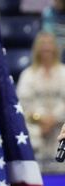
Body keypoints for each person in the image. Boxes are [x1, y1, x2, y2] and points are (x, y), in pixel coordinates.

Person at [17, 31, 65, 173]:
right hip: (36, 130)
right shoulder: (27, 75)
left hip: (61, 129)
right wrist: (41, 119)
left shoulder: (64, 72)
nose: (46, 48)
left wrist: (54, 118)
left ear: (56, 48)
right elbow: (23, 105)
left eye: (49, 44)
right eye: (43, 45)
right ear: (36, 48)